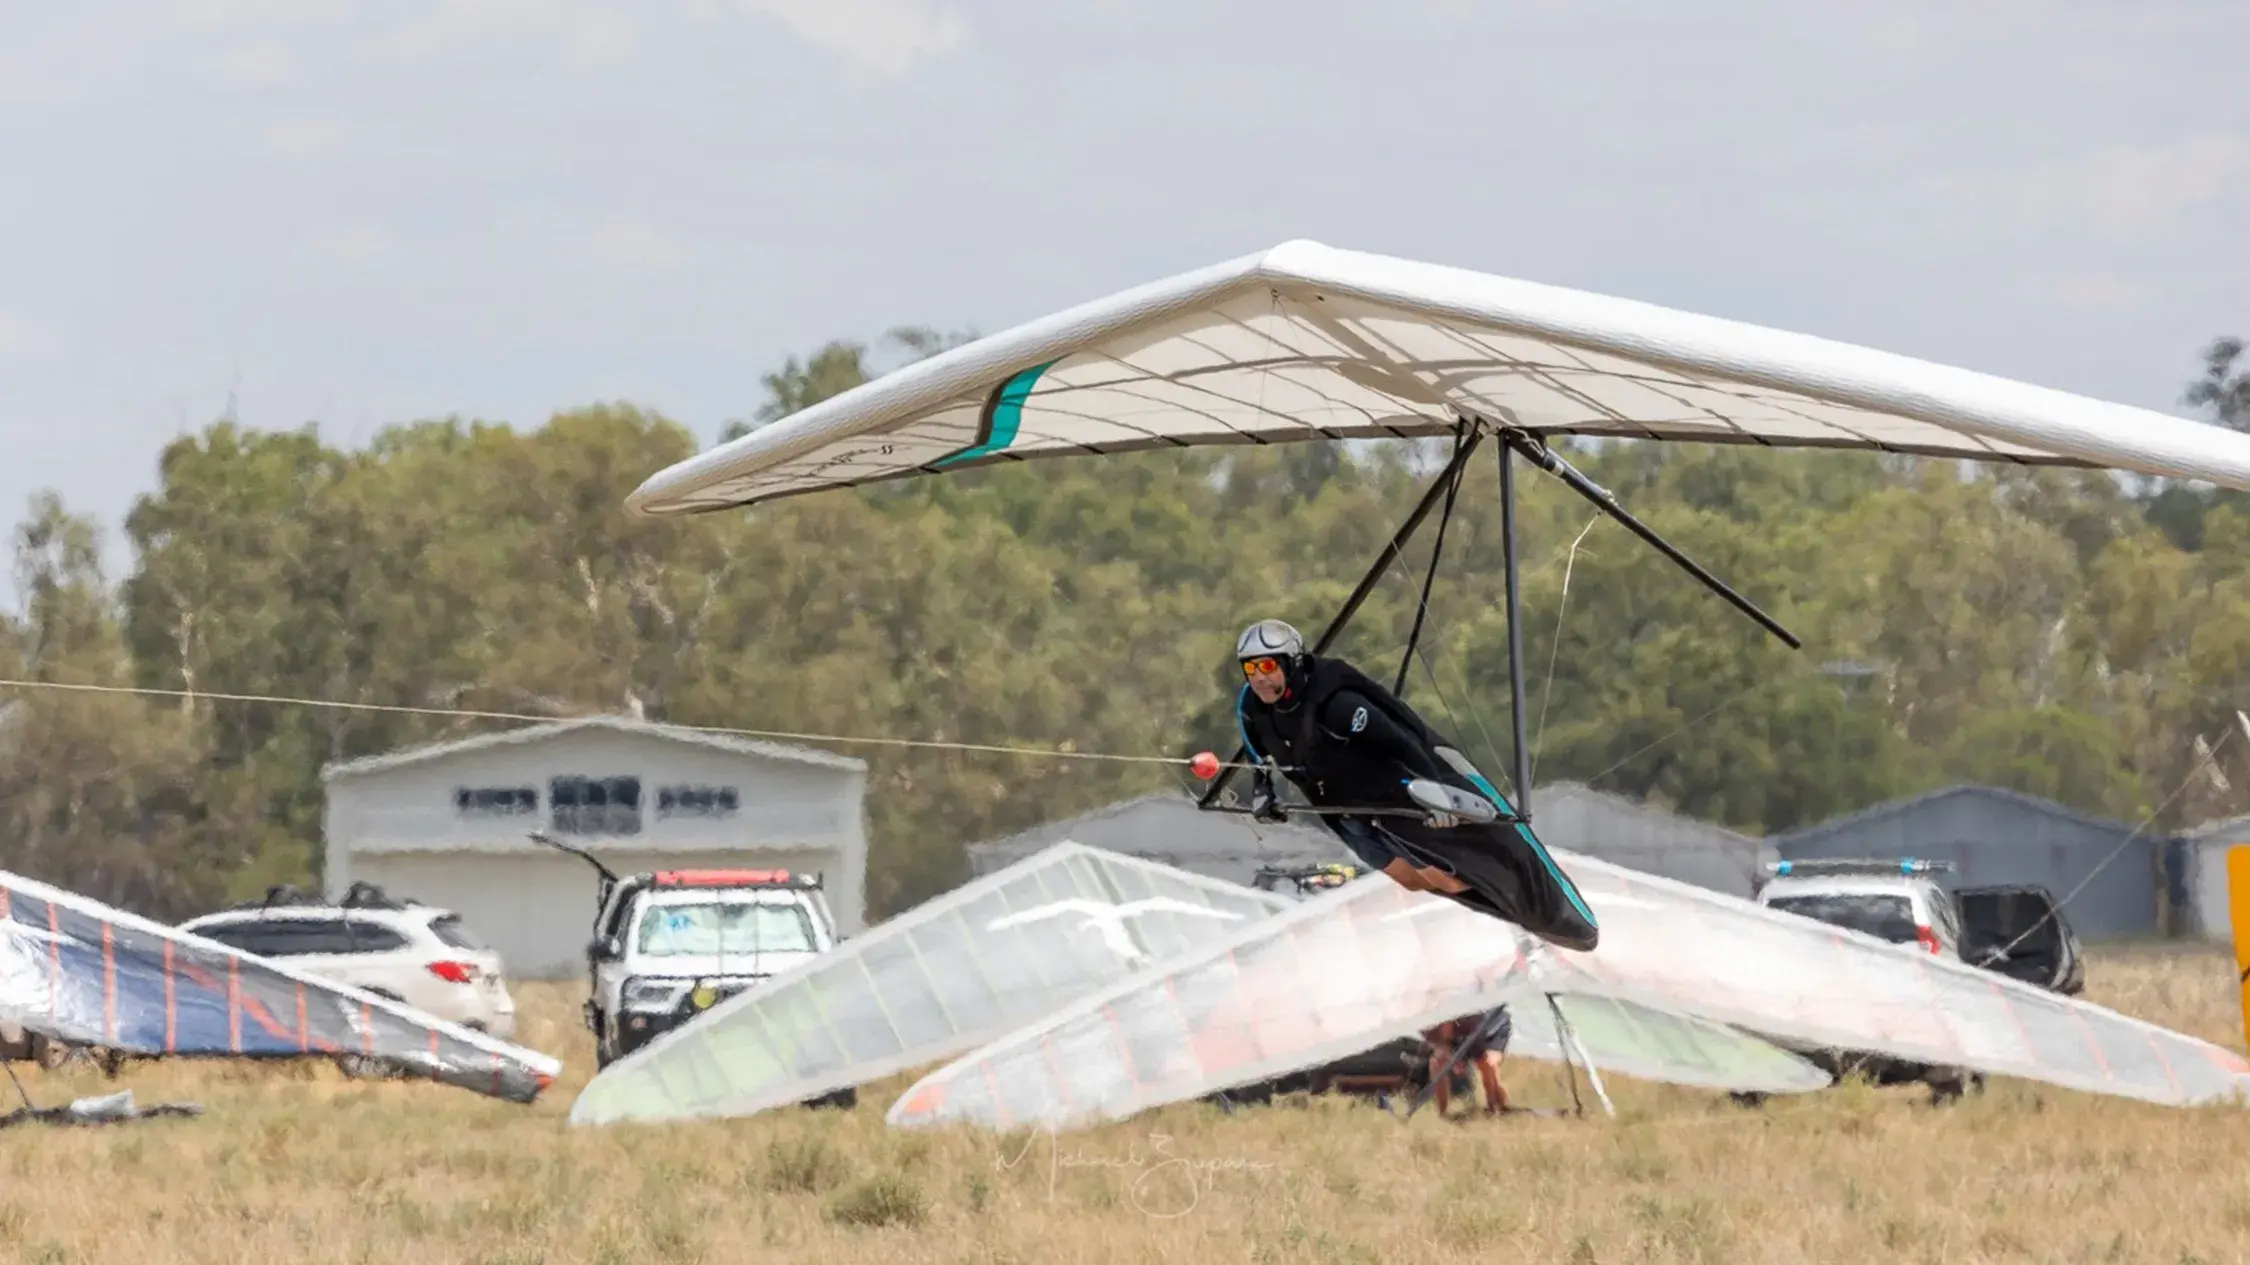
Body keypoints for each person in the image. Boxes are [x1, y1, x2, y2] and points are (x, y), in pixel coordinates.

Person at [1230, 618, 1600, 952]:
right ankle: (1519, 914)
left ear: (1291, 663)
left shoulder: (1338, 706)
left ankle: (1549, 915)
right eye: (1251, 668)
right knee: (1412, 880)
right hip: (1348, 812)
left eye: (1268, 666)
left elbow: (1403, 742)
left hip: (1402, 790)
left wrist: (1437, 795)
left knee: (1448, 876)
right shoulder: (1253, 708)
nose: (1260, 677)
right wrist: (1264, 791)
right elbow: (1255, 750)